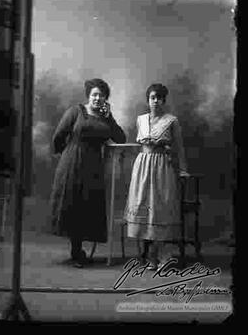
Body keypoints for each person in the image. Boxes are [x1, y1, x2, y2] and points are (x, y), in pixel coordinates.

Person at [50, 78, 126, 268]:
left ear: (105, 98)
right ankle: (76, 251)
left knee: (87, 205)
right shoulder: (76, 111)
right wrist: (65, 155)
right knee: (73, 204)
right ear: (88, 96)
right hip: (72, 162)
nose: (97, 98)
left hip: (93, 166)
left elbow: (120, 138)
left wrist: (108, 117)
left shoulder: (105, 116)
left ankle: (79, 251)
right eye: (94, 94)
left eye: (101, 95)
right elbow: (58, 135)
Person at [124, 83, 189, 270]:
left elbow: (179, 148)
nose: (156, 101)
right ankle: (151, 256)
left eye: (160, 98)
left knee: (160, 208)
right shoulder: (141, 120)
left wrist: (183, 169)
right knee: (144, 207)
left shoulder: (171, 121)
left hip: (162, 166)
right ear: (148, 100)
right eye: (153, 97)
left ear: (164, 101)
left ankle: (161, 255)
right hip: (143, 166)